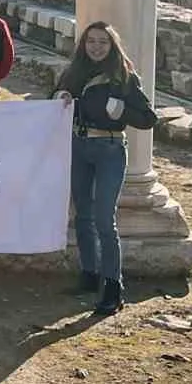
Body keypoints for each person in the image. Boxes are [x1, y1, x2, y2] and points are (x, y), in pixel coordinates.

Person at [54, 21, 156, 316]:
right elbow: (57, 94)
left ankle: (113, 285)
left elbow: (148, 118)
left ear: (112, 46)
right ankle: (89, 273)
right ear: (83, 45)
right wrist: (58, 97)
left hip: (110, 149)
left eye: (103, 42)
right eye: (91, 42)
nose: (96, 47)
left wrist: (122, 111)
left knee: (103, 218)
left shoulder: (124, 76)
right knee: (82, 213)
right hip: (79, 147)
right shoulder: (73, 72)